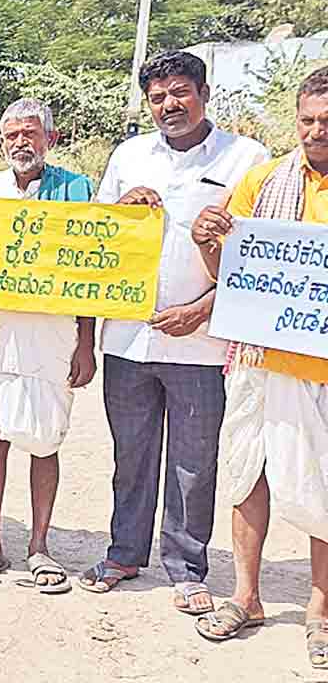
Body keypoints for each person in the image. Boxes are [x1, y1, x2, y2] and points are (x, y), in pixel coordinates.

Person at [78, 51, 270, 614]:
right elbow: (95, 241)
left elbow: (259, 258)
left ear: (205, 94)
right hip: (127, 338)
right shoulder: (129, 155)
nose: (170, 105)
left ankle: (187, 569)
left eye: (181, 92)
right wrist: (121, 209)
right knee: (130, 455)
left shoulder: (246, 158)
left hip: (203, 343)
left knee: (194, 463)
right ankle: (123, 554)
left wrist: (203, 312)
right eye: (158, 97)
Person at [191, 66, 328, 668]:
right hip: (257, 359)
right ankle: (246, 597)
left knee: (323, 486)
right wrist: (205, 238)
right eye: (307, 120)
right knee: (248, 475)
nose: (316, 131)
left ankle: (321, 611)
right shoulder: (263, 180)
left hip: (321, 369)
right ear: (295, 120)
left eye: (327, 121)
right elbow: (229, 276)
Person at [0, 99, 97, 592]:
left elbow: (91, 271)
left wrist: (86, 341)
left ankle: (39, 546)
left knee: (44, 440)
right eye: (11, 134)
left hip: (49, 336)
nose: (20, 143)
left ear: (49, 139)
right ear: (1, 141)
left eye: (29, 133)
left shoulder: (76, 190)